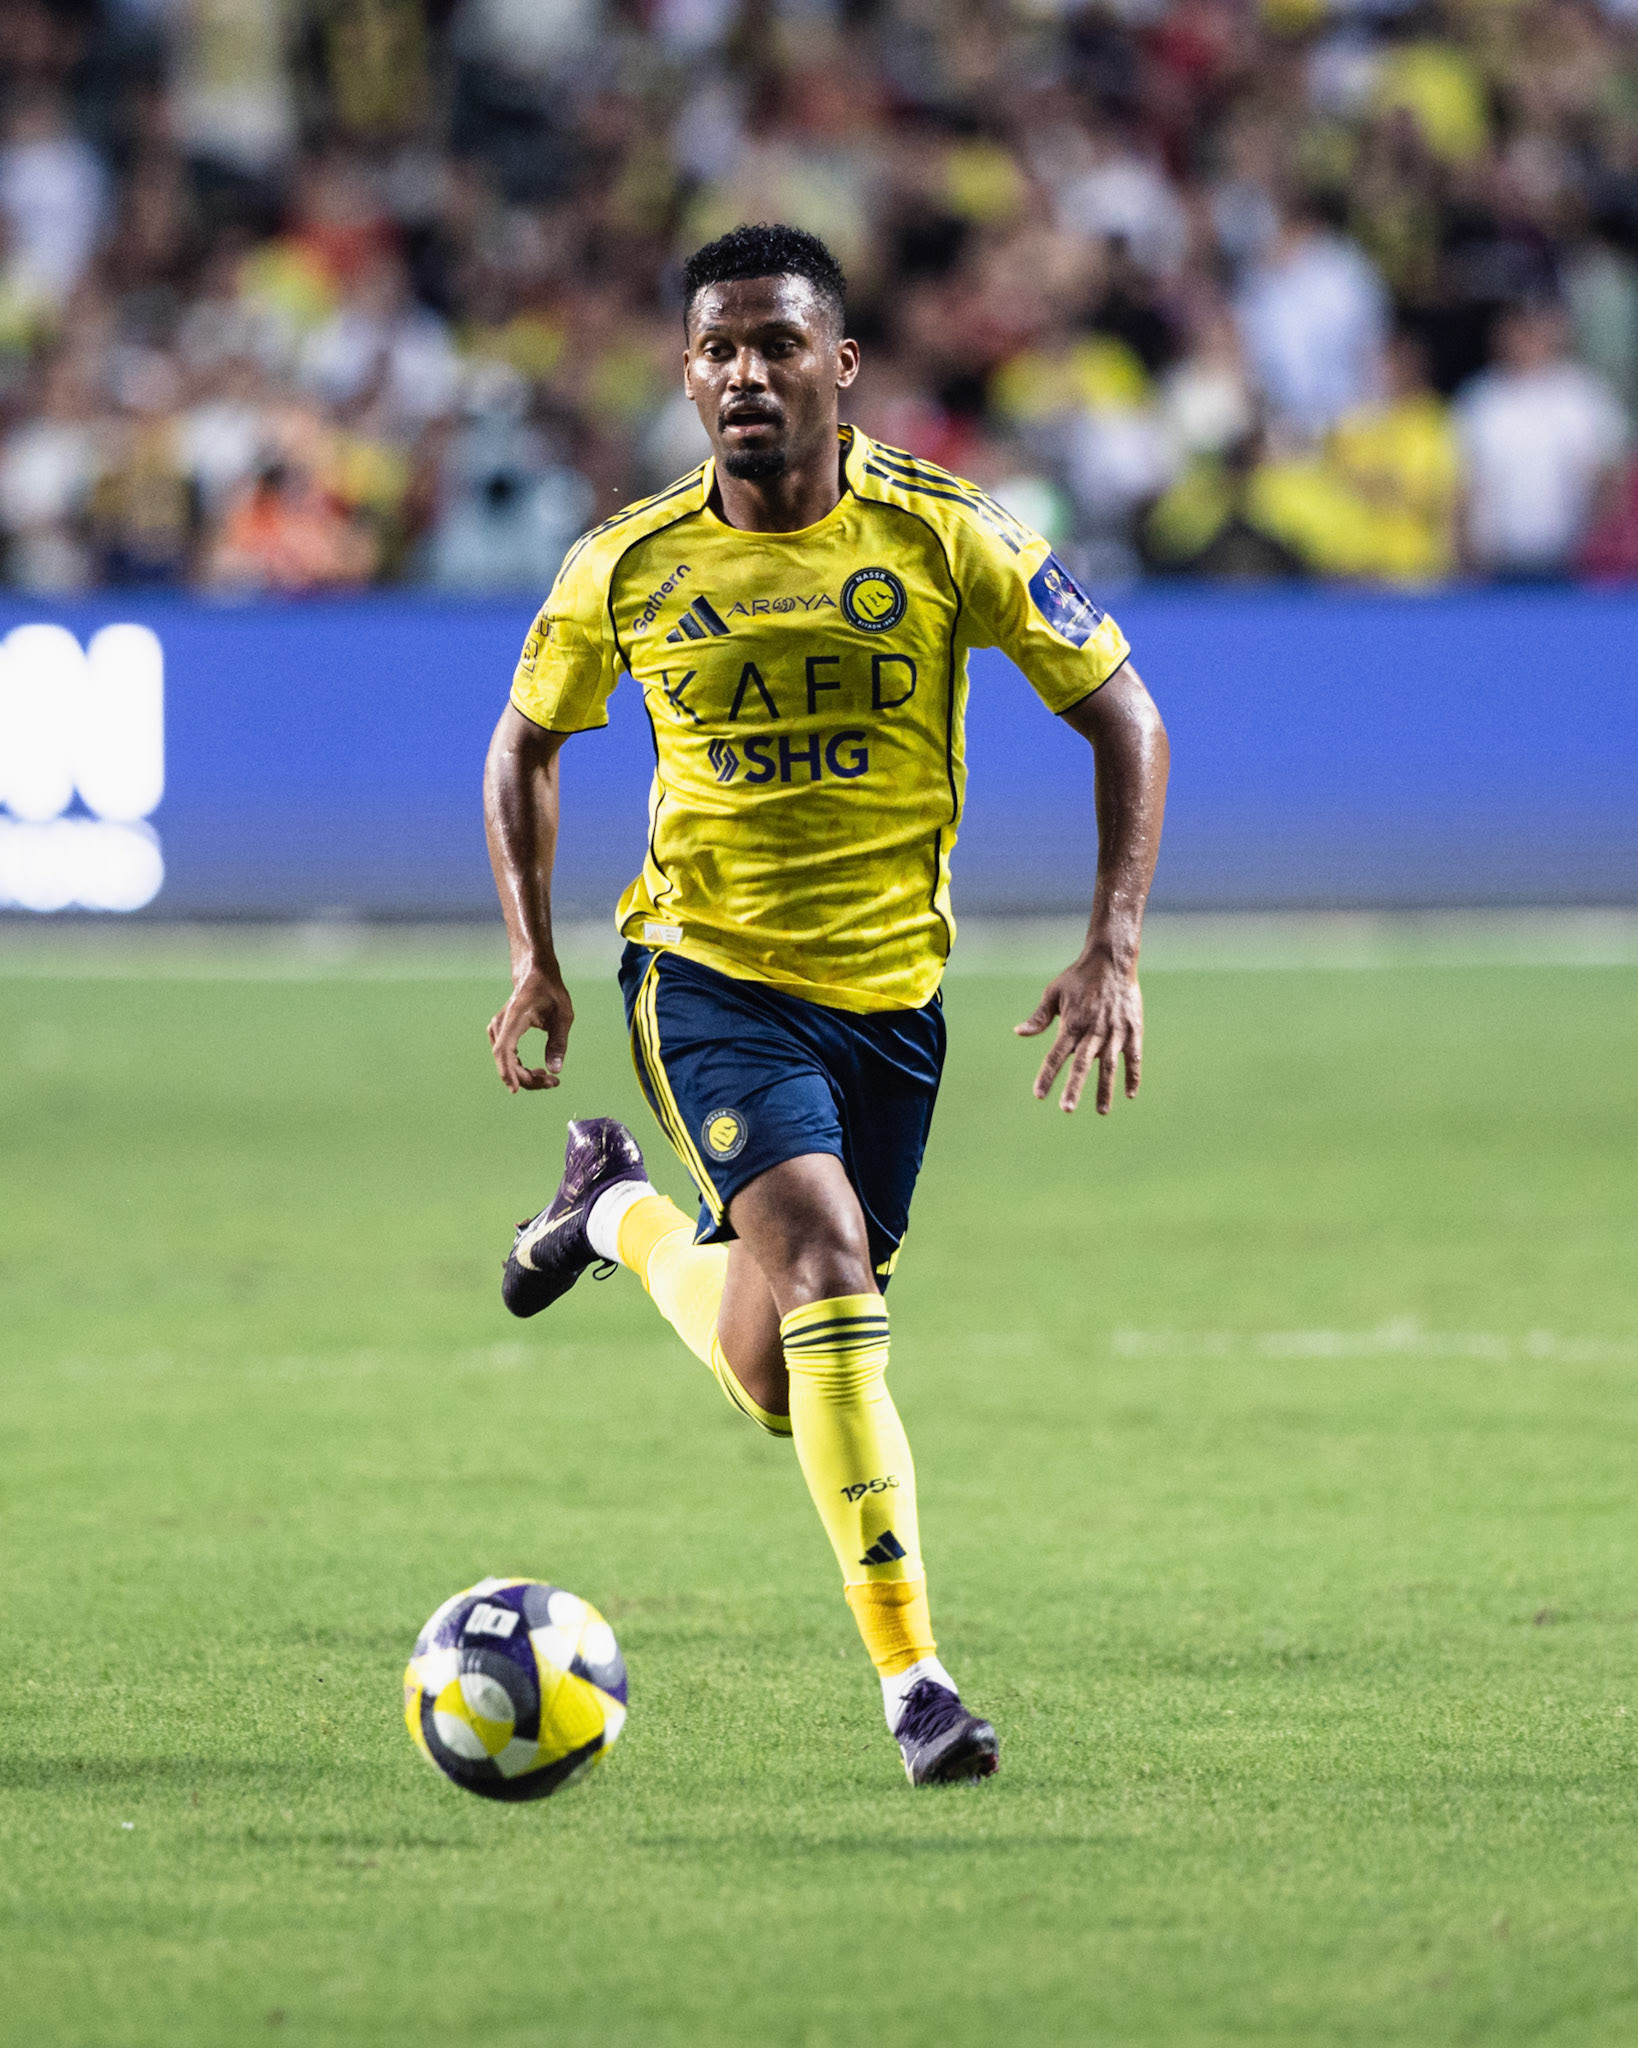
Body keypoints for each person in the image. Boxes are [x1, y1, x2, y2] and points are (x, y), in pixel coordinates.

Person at [482, 223, 1169, 1786]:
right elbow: (524, 744)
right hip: (705, 977)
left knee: (778, 1372)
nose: (745, 373)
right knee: (830, 1272)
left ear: (839, 366)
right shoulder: (626, 563)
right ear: (686, 374)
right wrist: (534, 955)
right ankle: (915, 1684)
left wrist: (1112, 946)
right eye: (717, 349)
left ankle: (609, 1216)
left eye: (777, 345)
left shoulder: (945, 532)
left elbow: (1123, 712)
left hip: (890, 1001)